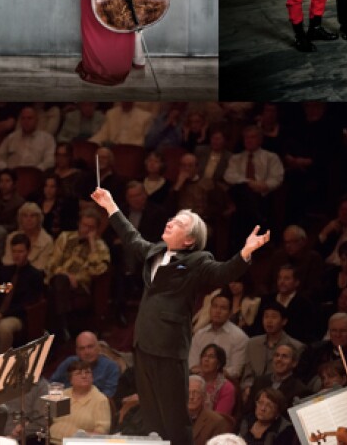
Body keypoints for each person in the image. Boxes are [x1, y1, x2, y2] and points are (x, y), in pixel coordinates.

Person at [89, 186, 271, 445]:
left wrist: (245, 252)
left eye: (179, 223)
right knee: (151, 414)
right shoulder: (155, 251)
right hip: (144, 343)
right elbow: (131, 236)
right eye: (173, 219)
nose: (171, 222)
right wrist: (110, 204)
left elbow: (222, 273)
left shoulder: (197, 260)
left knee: (174, 417)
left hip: (168, 347)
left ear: (189, 241)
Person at [45, 208, 110, 342]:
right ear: (79, 224)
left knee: (57, 285)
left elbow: (97, 271)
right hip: (58, 279)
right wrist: (67, 275)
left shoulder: (100, 247)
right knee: (58, 281)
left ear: (96, 229)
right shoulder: (65, 237)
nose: (86, 229)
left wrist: (92, 245)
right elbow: (51, 263)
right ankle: (62, 326)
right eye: (84, 225)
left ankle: (60, 328)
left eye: (91, 227)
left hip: (80, 286)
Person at [224, 126, 284, 250]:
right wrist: (249, 182)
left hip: (262, 196)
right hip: (240, 194)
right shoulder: (236, 158)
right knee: (244, 191)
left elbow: (277, 177)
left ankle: (238, 244)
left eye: (252, 137)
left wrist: (264, 185)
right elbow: (229, 176)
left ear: (260, 140)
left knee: (241, 209)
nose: (249, 140)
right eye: (246, 138)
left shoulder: (270, 157)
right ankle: (259, 221)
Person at [0, 233, 45, 353]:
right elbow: (1, 290)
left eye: (20, 251)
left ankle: (3, 361)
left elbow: (26, 304)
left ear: (28, 252)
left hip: (19, 316)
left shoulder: (35, 275)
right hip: (0, 312)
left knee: (4, 328)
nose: (16, 255)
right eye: (14, 251)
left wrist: (2, 314)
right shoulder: (6, 271)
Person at [189, 289, 250, 379]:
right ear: (210, 309)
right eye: (215, 307)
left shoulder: (240, 337)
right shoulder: (199, 334)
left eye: (223, 308)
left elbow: (236, 371)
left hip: (225, 382)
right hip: (198, 380)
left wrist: (211, 372)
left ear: (230, 313)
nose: (218, 311)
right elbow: (192, 366)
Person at [49, 360, 111, 444]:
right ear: (70, 379)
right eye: (78, 373)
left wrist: (76, 435)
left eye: (87, 372)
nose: (84, 376)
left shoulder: (100, 400)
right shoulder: (63, 394)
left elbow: (101, 434)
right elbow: (52, 421)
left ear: (92, 377)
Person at [51, 331, 120, 398]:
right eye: (82, 349)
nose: (87, 352)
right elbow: (52, 384)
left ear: (98, 348)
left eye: (90, 347)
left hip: (94, 404)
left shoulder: (111, 367)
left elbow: (108, 395)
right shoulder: (69, 362)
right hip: (66, 401)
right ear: (77, 352)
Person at [244, 344, 309, 414]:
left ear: (294, 363)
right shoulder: (259, 381)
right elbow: (248, 410)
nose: (279, 359)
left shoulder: (300, 390)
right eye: (276, 355)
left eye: (284, 356)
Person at [0, 106, 55, 171]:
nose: (26, 121)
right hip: (12, 174)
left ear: (37, 120)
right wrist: (7, 170)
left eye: (29, 118)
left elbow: (50, 161)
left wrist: (36, 171)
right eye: (23, 118)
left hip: (35, 174)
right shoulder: (11, 138)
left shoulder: (47, 139)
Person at [3, 203, 53, 271]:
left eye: (32, 216)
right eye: (25, 216)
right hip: (11, 273)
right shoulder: (11, 237)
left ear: (39, 219)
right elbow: (7, 262)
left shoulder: (47, 241)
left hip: (36, 275)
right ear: (20, 219)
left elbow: (41, 267)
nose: (29, 219)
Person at [189, 374, 232, 445]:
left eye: (196, 392)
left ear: (204, 396)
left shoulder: (217, 422)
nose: (191, 397)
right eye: (188, 392)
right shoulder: (173, 418)